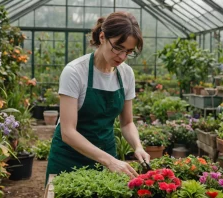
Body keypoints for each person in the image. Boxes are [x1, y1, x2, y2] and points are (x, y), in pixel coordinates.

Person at [45, 11, 150, 183]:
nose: (122, 57)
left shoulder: (126, 74)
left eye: (129, 51)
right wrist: (110, 161)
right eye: (118, 47)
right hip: (69, 158)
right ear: (102, 37)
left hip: (107, 155)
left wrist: (138, 147)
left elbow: (127, 122)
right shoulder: (75, 72)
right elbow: (68, 132)